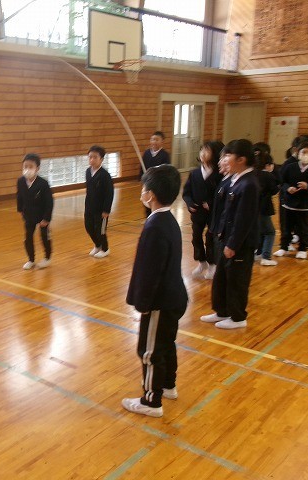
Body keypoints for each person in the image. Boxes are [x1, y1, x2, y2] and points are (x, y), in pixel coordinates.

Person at [122, 164, 188, 418]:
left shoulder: (155, 227)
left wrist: (144, 303)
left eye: (144, 188)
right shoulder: (167, 220)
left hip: (160, 302)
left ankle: (151, 400)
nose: (141, 192)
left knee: (149, 351)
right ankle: (168, 385)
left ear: (150, 195)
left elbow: (151, 272)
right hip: (174, 297)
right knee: (166, 344)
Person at [200, 139, 259, 330]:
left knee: (236, 280)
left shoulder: (249, 184)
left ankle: (238, 317)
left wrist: (233, 244)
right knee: (222, 278)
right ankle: (222, 311)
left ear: (241, 159)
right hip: (224, 237)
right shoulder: (234, 179)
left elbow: (244, 219)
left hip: (239, 244)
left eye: (227, 156)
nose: (223, 160)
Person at [273, 141, 308, 260]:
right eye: (304, 152)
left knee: (303, 228)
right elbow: (282, 181)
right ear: (298, 153)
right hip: (289, 202)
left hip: (305, 204)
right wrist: (287, 188)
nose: (306, 155)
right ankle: (284, 247)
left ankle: (302, 248)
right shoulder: (290, 167)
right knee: (287, 226)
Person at [182, 140, 224, 280]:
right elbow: (186, 192)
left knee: (210, 239)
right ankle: (201, 262)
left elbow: (222, 194)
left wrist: (211, 203)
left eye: (207, 151)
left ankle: (212, 264)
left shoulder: (220, 174)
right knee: (196, 237)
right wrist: (189, 203)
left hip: (213, 214)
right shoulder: (194, 173)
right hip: (198, 213)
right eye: (202, 150)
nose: (203, 153)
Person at [16, 153, 54, 270]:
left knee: (44, 237)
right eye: (25, 166)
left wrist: (46, 218)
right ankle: (31, 259)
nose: (27, 169)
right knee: (28, 238)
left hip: (42, 215)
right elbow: (19, 196)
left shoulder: (43, 183)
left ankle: (47, 257)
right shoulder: (21, 181)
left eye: (31, 166)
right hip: (29, 214)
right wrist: (20, 209)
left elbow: (49, 202)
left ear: (37, 168)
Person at [84, 145, 114, 258]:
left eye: (95, 157)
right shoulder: (88, 171)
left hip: (101, 209)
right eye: (90, 157)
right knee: (89, 227)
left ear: (101, 159)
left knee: (100, 230)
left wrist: (106, 210)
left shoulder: (105, 175)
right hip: (89, 207)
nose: (92, 159)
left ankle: (105, 249)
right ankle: (97, 245)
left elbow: (109, 194)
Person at [253, 144, 280, 266]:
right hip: (263, 208)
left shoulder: (252, 174)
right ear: (268, 165)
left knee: (260, 231)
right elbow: (274, 190)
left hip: (253, 208)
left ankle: (258, 253)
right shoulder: (268, 175)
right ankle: (266, 256)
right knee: (270, 232)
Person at [141, 131, 171, 217]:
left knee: (156, 202)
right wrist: (142, 179)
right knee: (147, 201)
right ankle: (148, 218)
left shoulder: (165, 155)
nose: (154, 141)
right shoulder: (147, 153)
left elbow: (166, 171)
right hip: (147, 183)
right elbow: (142, 167)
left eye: (157, 140)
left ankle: (156, 218)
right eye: (152, 139)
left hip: (158, 184)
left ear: (162, 142)